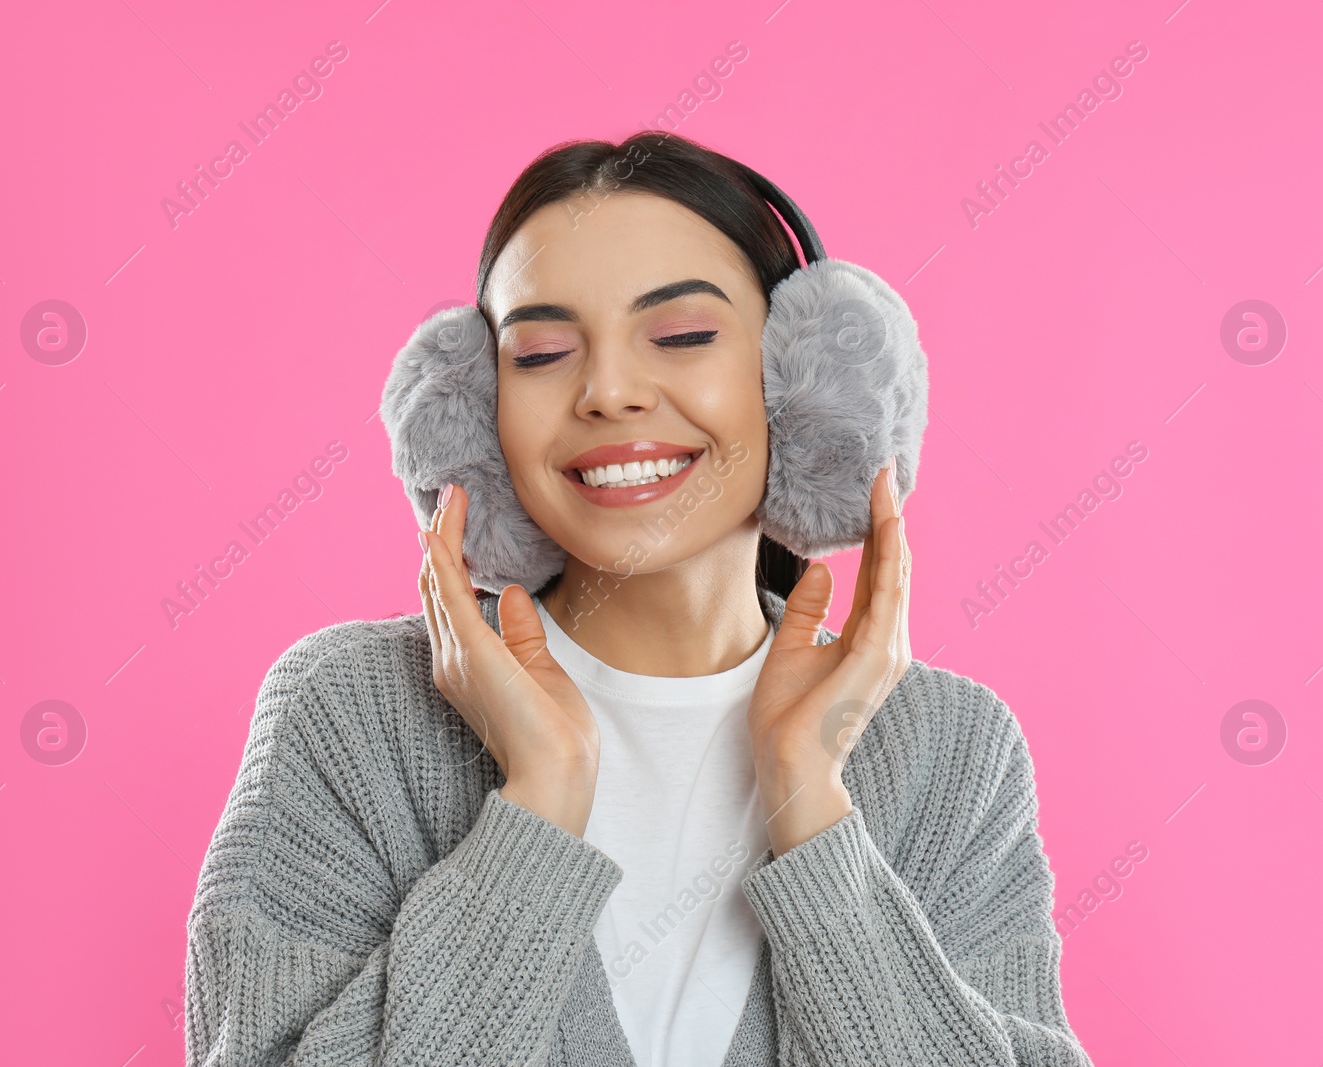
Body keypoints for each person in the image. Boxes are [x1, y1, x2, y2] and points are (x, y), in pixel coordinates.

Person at [184, 131, 1094, 1066]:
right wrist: (536, 809)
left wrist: (810, 800)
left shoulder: (952, 748)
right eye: (539, 352)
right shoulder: (351, 713)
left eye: (683, 335)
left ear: (808, 387)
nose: (608, 391)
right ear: (472, 413)